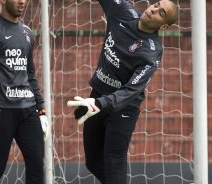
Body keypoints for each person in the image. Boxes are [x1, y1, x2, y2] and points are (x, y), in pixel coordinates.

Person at [67, 0, 178, 183]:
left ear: (164, 26)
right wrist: (96, 101)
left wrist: (100, 104)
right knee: (93, 163)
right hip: (97, 98)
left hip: (123, 109)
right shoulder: (122, 11)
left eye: (161, 13)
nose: (153, 10)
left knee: (113, 162)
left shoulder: (151, 53)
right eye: (156, 4)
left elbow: (131, 90)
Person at [0, 0, 48, 183]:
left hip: (28, 111)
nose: (22, 1)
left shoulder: (28, 33)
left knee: (37, 167)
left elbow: (30, 74)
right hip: (0, 112)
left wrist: (41, 109)